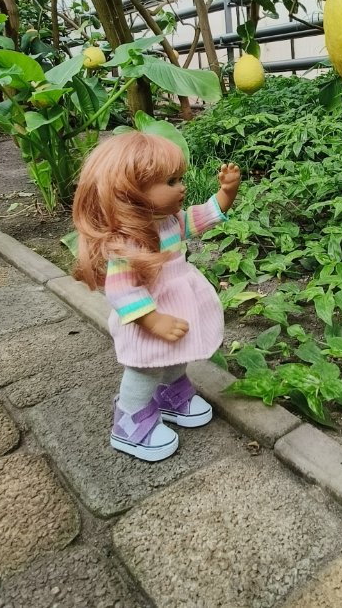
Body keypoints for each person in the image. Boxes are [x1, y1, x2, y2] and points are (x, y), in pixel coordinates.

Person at [72, 131, 240, 462]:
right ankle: (129, 419)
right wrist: (152, 319)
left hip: (175, 306)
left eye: (179, 178)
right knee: (145, 364)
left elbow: (200, 217)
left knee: (178, 351)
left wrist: (226, 193)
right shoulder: (129, 242)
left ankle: (170, 392)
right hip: (147, 315)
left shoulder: (170, 221)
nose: (181, 187)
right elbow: (122, 289)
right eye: (169, 181)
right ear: (128, 191)